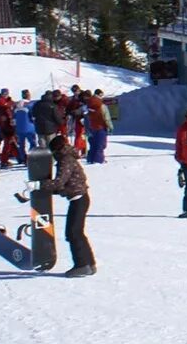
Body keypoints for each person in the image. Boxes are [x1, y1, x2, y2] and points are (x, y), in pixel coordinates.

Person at [47, 132, 97, 277]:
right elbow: (65, 184)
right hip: (79, 197)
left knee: (73, 233)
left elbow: (59, 182)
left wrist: (39, 185)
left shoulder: (65, 159)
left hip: (79, 199)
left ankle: (82, 265)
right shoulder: (69, 157)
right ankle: (90, 263)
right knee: (77, 232)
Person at [0, 88, 19, 167]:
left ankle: (18, 157)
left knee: (11, 141)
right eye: (4, 93)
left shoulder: (11, 102)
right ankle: (3, 159)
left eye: (6, 93)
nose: (5, 94)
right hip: (3, 125)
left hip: (11, 125)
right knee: (7, 141)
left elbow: (15, 111)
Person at [85, 89, 113, 164]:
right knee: (100, 144)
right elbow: (106, 117)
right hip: (101, 127)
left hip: (91, 127)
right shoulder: (101, 105)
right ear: (100, 94)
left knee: (93, 144)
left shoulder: (88, 103)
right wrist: (110, 127)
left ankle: (90, 158)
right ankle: (98, 159)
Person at [15, 88, 38, 154]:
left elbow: (13, 116)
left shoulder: (17, 105)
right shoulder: (30, 104)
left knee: (21, 144)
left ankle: (22, 158)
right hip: (29, 127)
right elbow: (33, 116)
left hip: (19, 128)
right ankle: (32, 156)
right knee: (33, 143)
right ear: (28, 95)